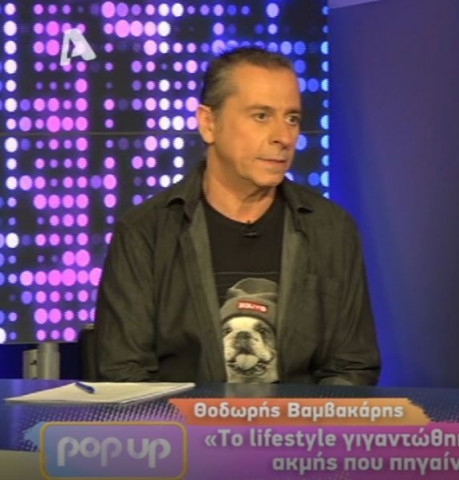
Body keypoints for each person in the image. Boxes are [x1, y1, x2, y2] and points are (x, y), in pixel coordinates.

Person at [93, 47, 380, 385]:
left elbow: (351, 367)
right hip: (180, 421)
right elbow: (123, 373)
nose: (283, 137)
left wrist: (301, 420)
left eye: (291, 118)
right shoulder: (145, 233)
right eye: (261, 116)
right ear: (208, 123)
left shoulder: (331, 229)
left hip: (300, 421)